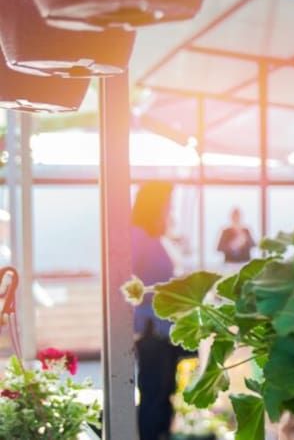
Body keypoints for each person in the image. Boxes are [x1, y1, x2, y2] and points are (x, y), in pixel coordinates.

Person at [131, 182, 184, 440]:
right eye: (167, 205)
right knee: (154, 392)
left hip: (163, 328)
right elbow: (130, 281)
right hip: (151, 329)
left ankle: (159, 434)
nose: (169, 211)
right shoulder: (137, 237)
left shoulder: (152, 237)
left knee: (163, 391)